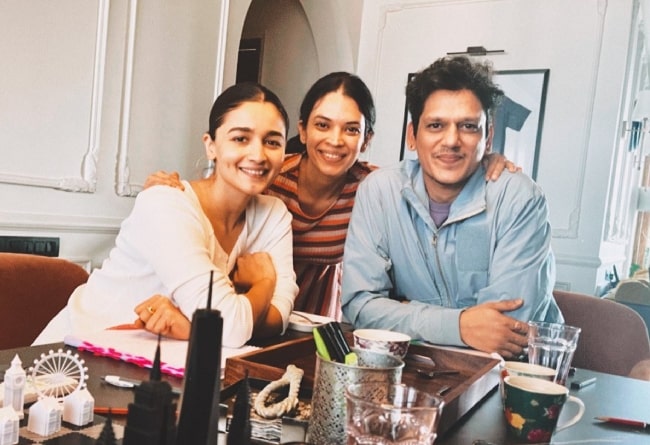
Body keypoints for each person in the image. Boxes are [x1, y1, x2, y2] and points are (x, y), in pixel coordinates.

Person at [145, 72, 517, 320]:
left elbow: (435, 177)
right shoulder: (269, 175)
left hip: (325, 316)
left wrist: (484, 159)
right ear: (303, 131)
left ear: (366, 140)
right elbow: (222, 189)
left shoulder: (375, 189)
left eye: (351, 130)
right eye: (323, 126)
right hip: (248, 307)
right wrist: (170, 188)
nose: (335, 141)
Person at [34, 82, 298, 348]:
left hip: (163, 364)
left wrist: (197, 327)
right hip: (75, 356)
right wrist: (265, 282)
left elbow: (279, 318)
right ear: (211, 146)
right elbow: (231, 327)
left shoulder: (273, 214)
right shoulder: (166, 204)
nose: (258, 154)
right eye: (240, 138)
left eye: (272, 142)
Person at [341, 56, 562, 359]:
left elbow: (507, 330)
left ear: (488, 138)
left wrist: (404, 311)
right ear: (412, 136)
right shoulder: (379, 192)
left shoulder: (519, 198)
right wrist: (458, 325)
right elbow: (361, 307)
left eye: (469, 126)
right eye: (435, 125)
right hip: (421, 368)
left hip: (519, 377)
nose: (451, 140)